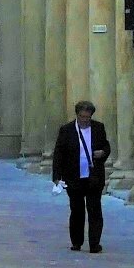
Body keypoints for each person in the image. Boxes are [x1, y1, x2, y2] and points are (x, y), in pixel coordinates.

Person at [51, 99, 111, 252]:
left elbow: (106, 146)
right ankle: (76, 242)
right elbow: (59, 153)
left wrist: (102, 153)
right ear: (77, 115)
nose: (85, 120)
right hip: (73, 177)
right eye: (82, 117)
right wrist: (57, 176)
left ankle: (94, 244)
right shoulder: (66, 130)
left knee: (94, 210)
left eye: (87, 117)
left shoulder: (98, 128)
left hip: (93, 176)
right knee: (76, 210)